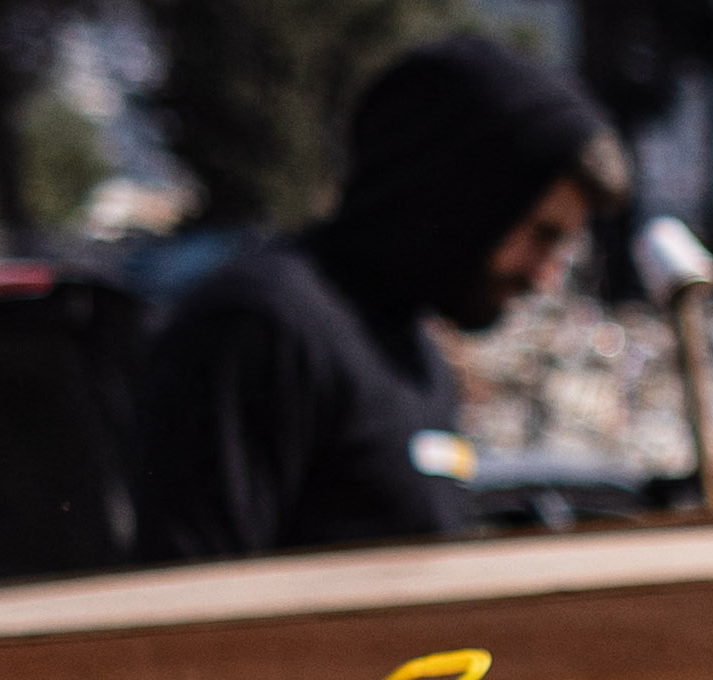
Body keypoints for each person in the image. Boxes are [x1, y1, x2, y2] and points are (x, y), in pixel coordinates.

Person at [126, 36, 629, 561]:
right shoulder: (265, 328)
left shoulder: (417, 357)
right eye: (540, 234)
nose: (545, 276)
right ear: (462, 198)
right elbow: (189, 600)